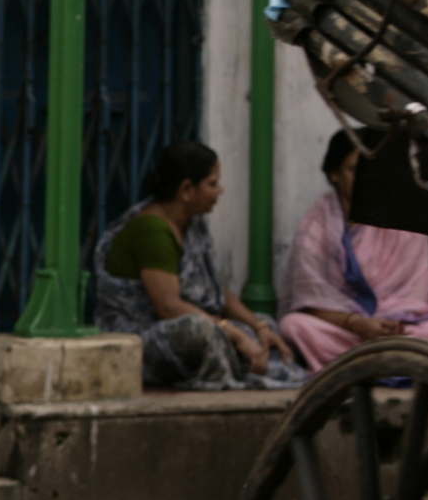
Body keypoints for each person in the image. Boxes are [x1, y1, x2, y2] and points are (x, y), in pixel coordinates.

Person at [94, 141, 306, 390]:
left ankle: (255, 365)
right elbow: (168, 306)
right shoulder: (152, 229)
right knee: (201, 329)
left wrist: (258, 326)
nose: (220, 190)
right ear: (187, 189)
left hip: (195, 322)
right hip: (140, 336)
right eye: (212, 184)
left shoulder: (191, 225)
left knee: (263, 324)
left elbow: (214, 290)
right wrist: (233, 334)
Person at [278, 130, 428, 368]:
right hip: (349, 331)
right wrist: (357, 323)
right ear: (335, 174)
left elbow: (413, 293)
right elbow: (309, 299)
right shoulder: (318, 221)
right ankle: (396, 366)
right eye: (354, 170)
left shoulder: (399, 214)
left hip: (402, 329)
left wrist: (392, 324)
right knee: (294, 325)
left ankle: (375, 365)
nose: (364, 178)